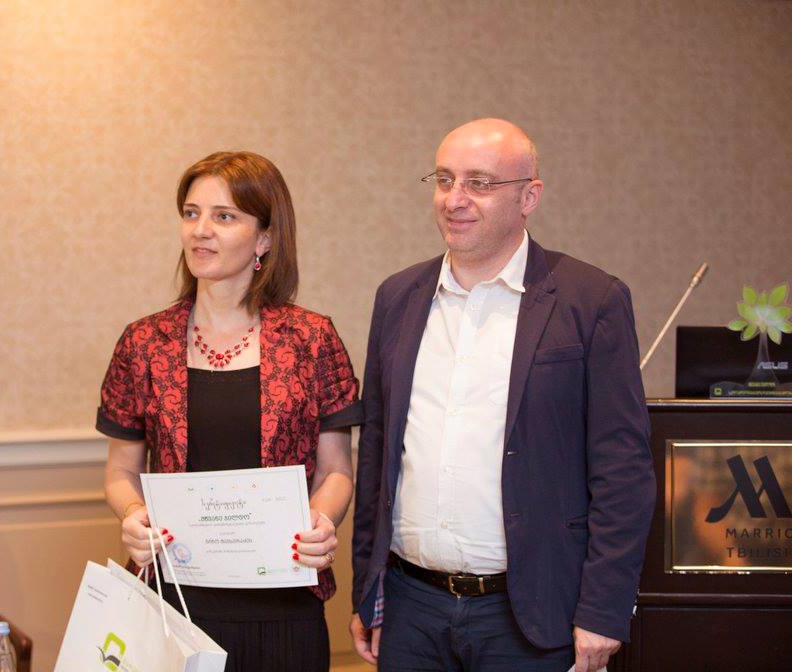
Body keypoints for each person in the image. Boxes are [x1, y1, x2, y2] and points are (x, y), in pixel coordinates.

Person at [350, 119, 655, 672]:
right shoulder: (397, 297)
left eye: (480, 183)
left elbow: (623, 470)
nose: (455, 199)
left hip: (531, 614)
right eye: (445, 179)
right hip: (411, 608)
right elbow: (376, 453)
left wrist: (604, 610)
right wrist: (365, 591)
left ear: (529, 197)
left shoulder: (591, 301)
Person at [97, 151, 362, 672]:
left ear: (264, 238)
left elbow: (336, 471)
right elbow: (120, 471)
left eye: (224, 216)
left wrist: (322, 521)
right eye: (191, 213)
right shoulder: (143, 343)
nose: (201, 230)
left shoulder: (312, 339)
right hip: (172, 602)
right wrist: (131, 515)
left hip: (284, 604)